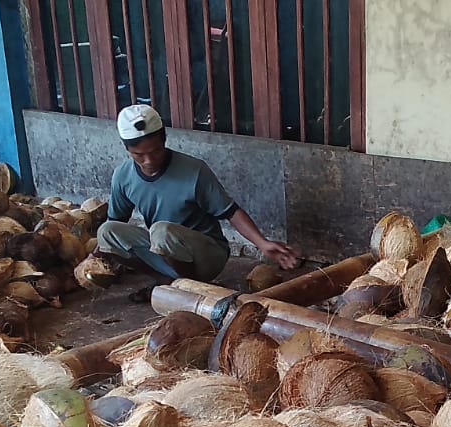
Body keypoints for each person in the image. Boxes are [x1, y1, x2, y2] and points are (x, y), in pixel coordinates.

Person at [94, 104, 300, 302]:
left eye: (155, 151)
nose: (149, 160)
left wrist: (262, 243)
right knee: (106, 232)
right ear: (126, 149)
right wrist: (94, 259)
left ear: (164, 139)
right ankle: (165, 280)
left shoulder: (194, 171)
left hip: (206, 255)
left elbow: (231, 212)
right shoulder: (123, 175)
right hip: (164, 249)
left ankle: (189, 288)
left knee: (161, 231)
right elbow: (116, 222)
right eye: (139, 155)